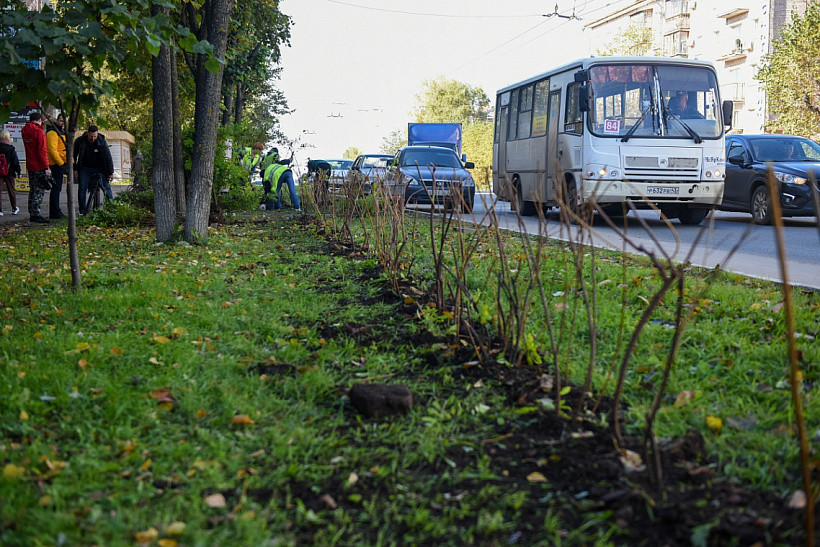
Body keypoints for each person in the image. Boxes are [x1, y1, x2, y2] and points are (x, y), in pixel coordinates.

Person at [73, 125, 114, 215]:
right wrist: (75, 169)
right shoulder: (80, 141)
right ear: (88, 134)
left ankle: (112, 207)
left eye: (95, 136)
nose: (93, 138)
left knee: (106, 186)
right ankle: (82, 210)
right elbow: (74, 156)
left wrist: (110, 172)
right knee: (82, 188)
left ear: (97, 134)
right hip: (85, 167)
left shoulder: (102, 142)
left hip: (100, 168)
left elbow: (108, 157)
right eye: (91, 136)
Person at [21, 112, 51, 223]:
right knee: (39, 191)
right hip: (39, 165)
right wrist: (46, 167)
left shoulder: (25, 130)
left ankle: (32, 212)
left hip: (30, 164)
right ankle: (36, 214)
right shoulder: (39, 132)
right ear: (39, 120)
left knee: (32, 190)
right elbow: (42, 151)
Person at [45, 113, 67, 219]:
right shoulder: (53, 132)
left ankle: (56, 210)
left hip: (60, 163)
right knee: (56, 188)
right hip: (56, 164)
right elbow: (52, 150)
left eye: (65, 121)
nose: (63, 123)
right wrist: (61, 163)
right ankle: (54, 212)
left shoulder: (61, 131)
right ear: (58, 120)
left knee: (57, 188)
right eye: (62, 121)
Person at [0, 129, 21, 216]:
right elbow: (15, 161)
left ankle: (0, 210)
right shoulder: (11, 148)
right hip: (10, 172)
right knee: (11, 190)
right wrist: (18, 171)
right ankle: (14, 208)